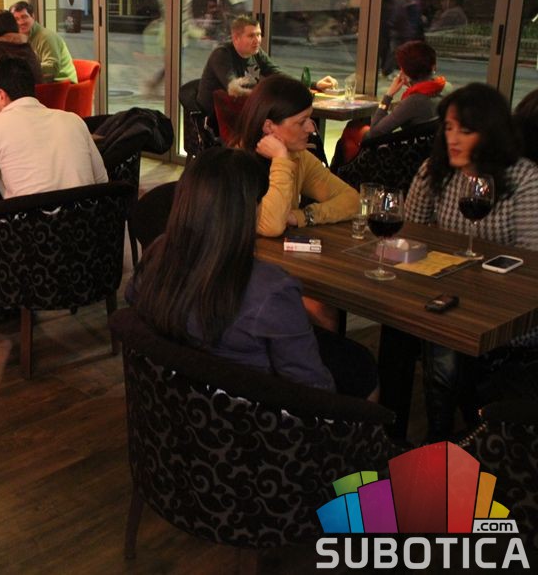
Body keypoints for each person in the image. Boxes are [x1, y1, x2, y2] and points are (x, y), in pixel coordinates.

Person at [125, 147, 377, 397]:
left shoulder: (155, 258)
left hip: (179, 405)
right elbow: (315, 392)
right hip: (259, 416)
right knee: (363, 368)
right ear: (247, 212)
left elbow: (133, 305)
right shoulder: (272, 291)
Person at [406, 83, 538, 440]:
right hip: (448, 294)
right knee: (421, 325)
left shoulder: (523, 177)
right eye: (448, 128)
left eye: (465, 130)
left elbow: (530, 262)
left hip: (507, 312)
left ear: (490, 133)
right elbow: (411, 231)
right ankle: (421, 431)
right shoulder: (440, 170)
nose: (452, 139)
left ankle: (444, 437)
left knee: (442, 334)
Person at [0, 56, 106, 217]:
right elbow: (102, 181)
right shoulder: (74, 120)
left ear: (1, 96)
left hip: (30, 230)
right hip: (85, 226)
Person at [229, 74, 359, 238]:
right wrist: (281, 159)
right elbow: (272, 226)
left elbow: (353, 200)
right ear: (269, 127)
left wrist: (303, 216)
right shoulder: (236, 164)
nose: (311, 128)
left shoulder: (298, 157)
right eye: (301, 122)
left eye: (310, 118)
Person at [197, 16, 336, 132]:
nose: (257, 40)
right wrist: (264, 99)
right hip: (218, 117)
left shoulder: (256, 53)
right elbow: (234, 90)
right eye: (251, 35)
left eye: (258, 34)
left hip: (246, 111)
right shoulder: (222, 54)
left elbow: (278, 75)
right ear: (236, 38)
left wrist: (314, 84)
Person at [365, 40, 445, 141]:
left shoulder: (413, 101)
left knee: (354, 130)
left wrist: (388, 95)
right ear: (434, 66)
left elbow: (374, 133)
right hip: (430, 146)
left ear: (403, 71)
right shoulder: (445, 88)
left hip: (407, 148)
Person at [8, 0, 77, 84]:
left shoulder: (46, 37)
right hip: (41, 80)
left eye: (24, 17)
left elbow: (52, 67)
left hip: (60, 83)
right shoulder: (20, 37)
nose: (21, 22)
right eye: (16, 19)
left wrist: (24, 69)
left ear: (33, 16)